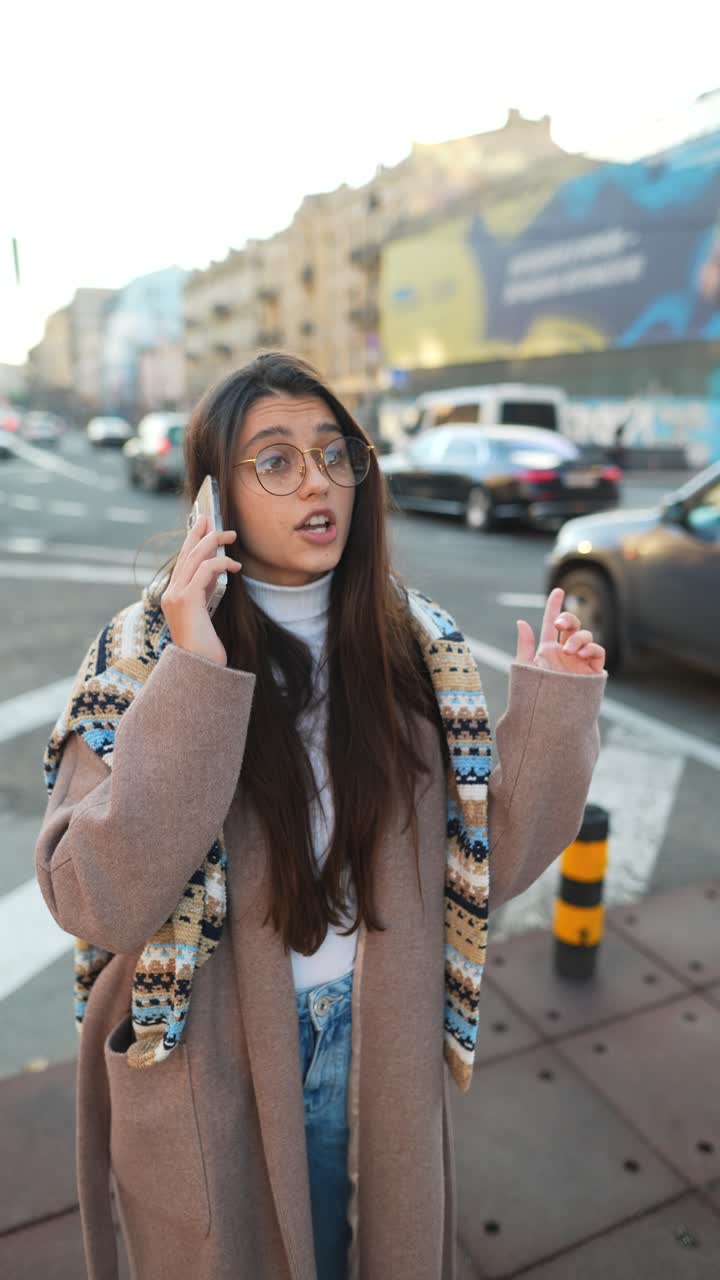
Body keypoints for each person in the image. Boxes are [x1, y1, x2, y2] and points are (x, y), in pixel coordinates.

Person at [35, 352, 607, 1280]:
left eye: (334, 453)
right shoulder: (141, 655)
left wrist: (554, 710)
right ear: (212, 500)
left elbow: (481, 866)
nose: (318, 483)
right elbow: (90, 897)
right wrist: (198, 673)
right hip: (212, 1049)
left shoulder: (415, 647)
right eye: (276, 460)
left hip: (376, 1033)